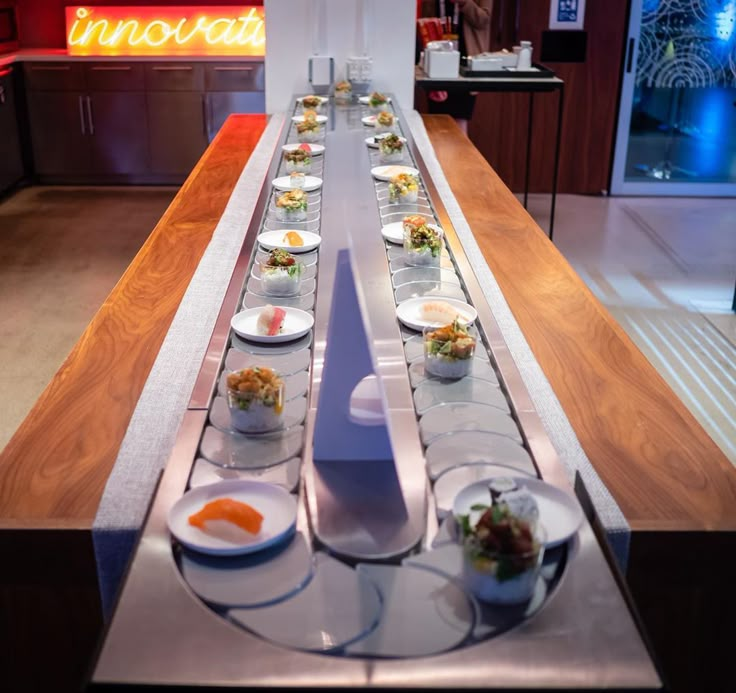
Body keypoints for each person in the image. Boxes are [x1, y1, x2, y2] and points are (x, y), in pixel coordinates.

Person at [421, 0, 493, 134]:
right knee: (437, 121)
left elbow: (483, 20)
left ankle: (461, 155)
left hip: (466, 63)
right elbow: (425, 20)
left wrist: (465, 3)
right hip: (437, 59)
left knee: (460, 119)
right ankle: (435, 155)